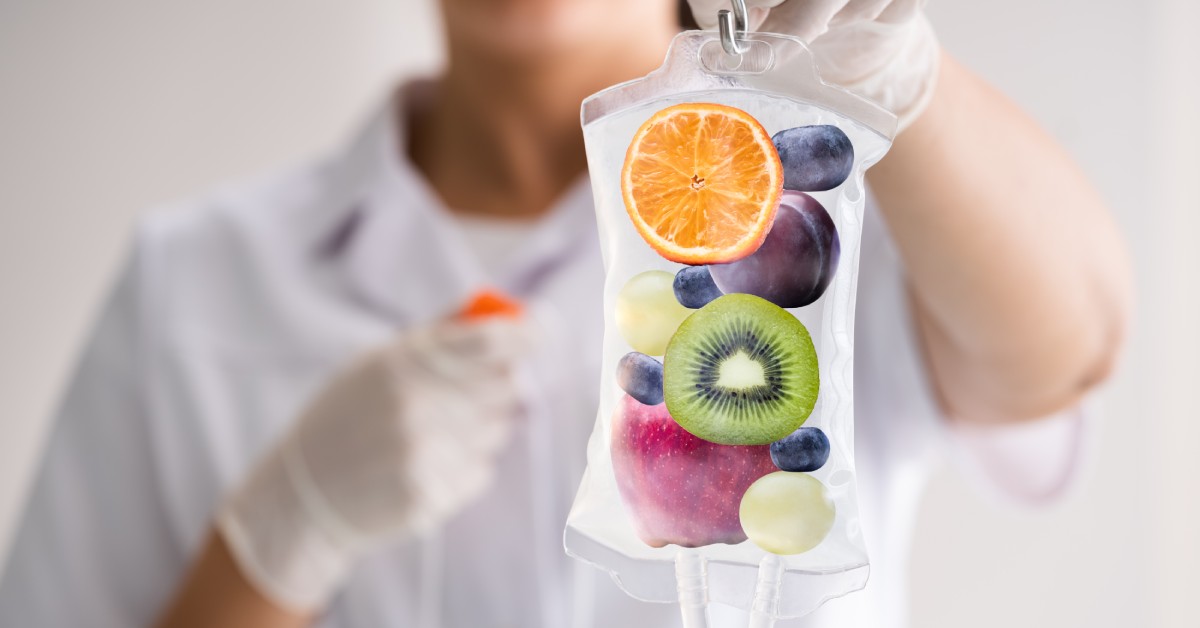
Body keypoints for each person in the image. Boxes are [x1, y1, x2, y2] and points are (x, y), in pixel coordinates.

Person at [0, 0, 1131, 626]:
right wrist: (274, 543)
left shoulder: (832, 209)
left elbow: (1075, 348)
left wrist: (901, 80)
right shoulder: (197, 277)